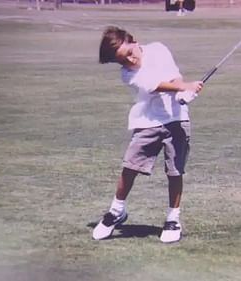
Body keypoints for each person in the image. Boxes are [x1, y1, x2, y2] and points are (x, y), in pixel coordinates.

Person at [92, 26, 203, 243]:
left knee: (175, 171)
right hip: (148, 121)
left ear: (134, 41)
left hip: (176, 119)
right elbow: (155, 86)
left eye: (130, 53)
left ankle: (173, 219)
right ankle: (116, 212)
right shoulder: (127, 74)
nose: (131, 60)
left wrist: (184, 92)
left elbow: (174, 76)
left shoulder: (159, 49)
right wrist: (185, 87)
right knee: (130, 167)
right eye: (124, 60)